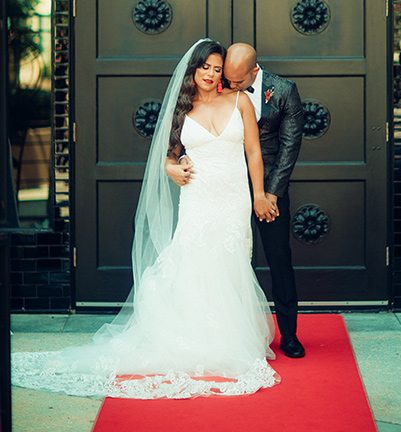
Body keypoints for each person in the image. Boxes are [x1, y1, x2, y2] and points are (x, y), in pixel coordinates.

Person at [12, 39, 279, 399]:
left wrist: (259, 194)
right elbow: (168, 158)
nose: (211, 74)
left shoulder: (240, 101)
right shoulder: (182, 109)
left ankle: (226, 338)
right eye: (206, 67)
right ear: (194, 68)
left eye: (217, 69)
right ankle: (198, 338)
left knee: (231, 262)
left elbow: (253, 151)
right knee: (196, 261)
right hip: (198, 198)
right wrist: (173, 170)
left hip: (233, 199)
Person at [170, 43, 305, 359]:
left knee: (278, 258)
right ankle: (220, 331)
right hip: (216, 187)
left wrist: (266, 195)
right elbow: (176, 144)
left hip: (266, 188)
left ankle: (289, 335)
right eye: (222, 76)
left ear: (252, 72)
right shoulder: (211, 91)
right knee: (220, 261)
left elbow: (288, 148)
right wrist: (172, 164)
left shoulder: (284, 91)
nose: (226, 84)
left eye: (234, 80)